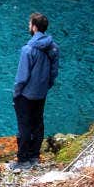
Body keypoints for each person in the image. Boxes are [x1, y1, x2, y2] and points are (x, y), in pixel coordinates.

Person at [11, 12, 59, 172]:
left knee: (24, 125)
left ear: (34, 27)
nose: (28, 26)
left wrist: (16, 93)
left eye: (29, 23)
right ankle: (34, 156)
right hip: (41, 93)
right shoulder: (53, 47)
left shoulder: (28, 49)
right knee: (38, 123)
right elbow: (53, 73)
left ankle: (22, 159)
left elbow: (22, 77)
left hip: (26, 94)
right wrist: (45, 87)